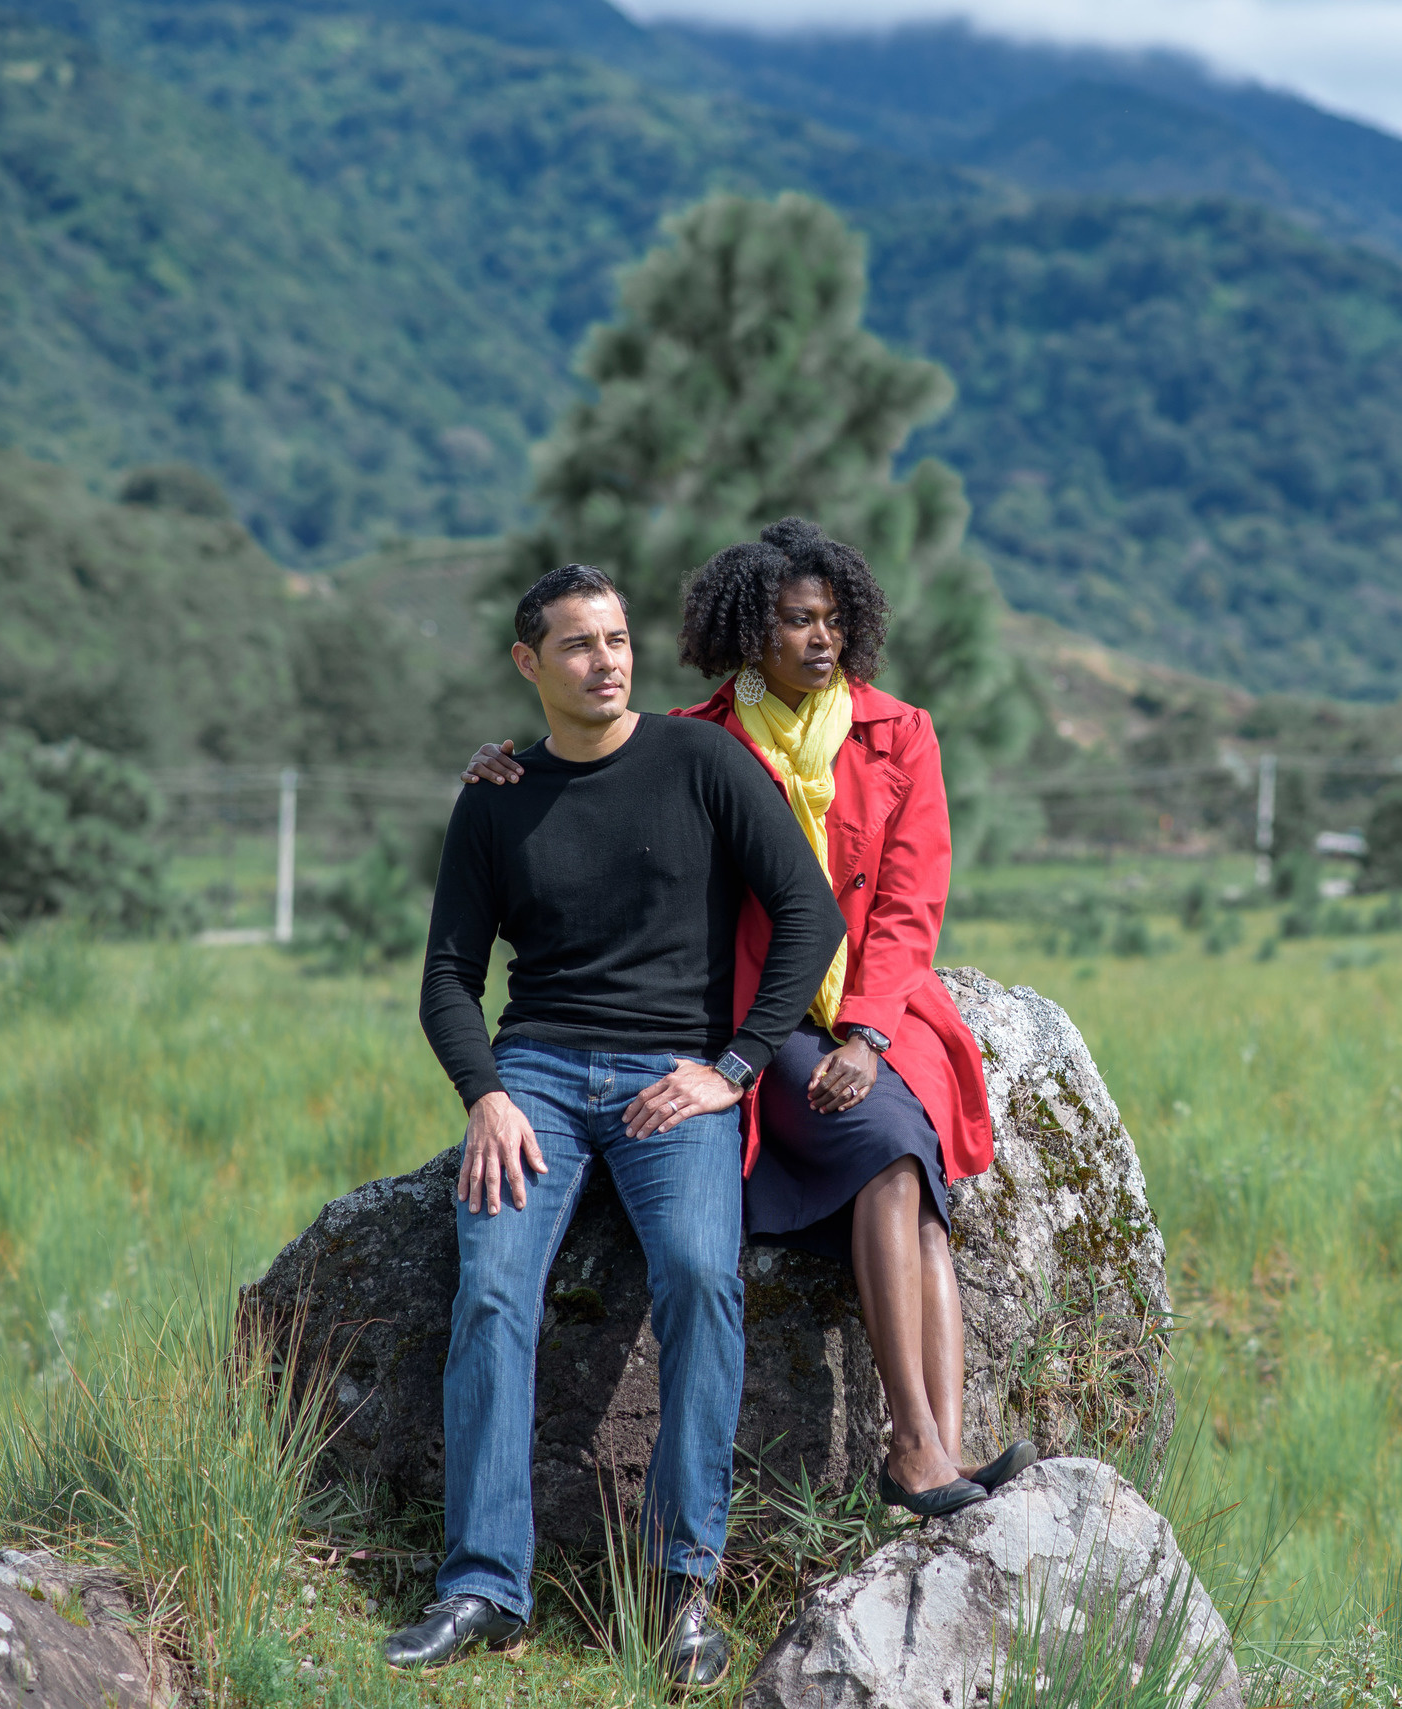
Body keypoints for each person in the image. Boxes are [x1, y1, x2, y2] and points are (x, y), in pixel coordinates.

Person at [462, 517, 1034, 1521]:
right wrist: (503, 766)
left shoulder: (901, 731)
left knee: (911, 1161)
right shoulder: (702, 739)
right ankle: (919, 1452)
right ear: (746, 630)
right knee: (890, 1151)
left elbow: (906, 902)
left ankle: (933, 1448)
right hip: (756, 1015)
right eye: (794, 620)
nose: (820, 638)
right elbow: (596, 755)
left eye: (832, 619)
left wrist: (865, 1032)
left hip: (877, 1008)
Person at [394, 563, 845, 1683]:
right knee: (493, 1285)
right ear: (528, 664)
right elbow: (448, 975)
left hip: (671, 1075)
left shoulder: (699, 762)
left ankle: (683, 1590)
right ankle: (483, 1585)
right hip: (537, 1071)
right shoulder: (497, 795)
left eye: (617, 638)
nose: (606, 659)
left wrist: (733, 1065)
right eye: (579, 643)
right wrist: (485, 1093)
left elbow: (809, 910)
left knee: (700, 1272)